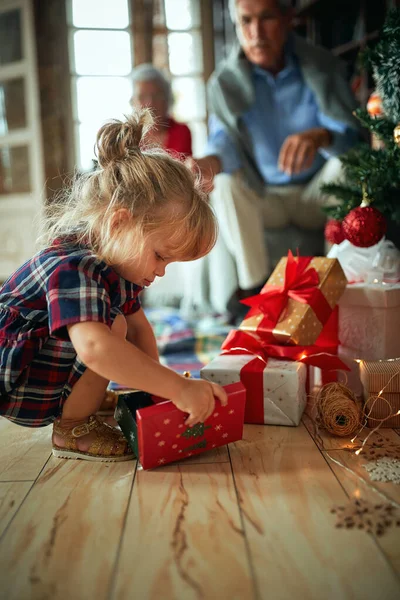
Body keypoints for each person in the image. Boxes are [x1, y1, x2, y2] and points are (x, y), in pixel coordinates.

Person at [0, 109, 227, 462]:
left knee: (121, 325)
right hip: (13, 375)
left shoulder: (119, 265)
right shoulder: (75, 267)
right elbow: (94, 348)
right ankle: (72, 427)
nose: (162, 272)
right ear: (120, 222)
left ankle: (80, 399)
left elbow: (140, 330)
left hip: (40, 360)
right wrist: (179, 387)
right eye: (160, 256)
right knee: (109, 329)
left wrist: (159, 392)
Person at [186, 0, 361, 318]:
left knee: (348, 165)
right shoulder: (224, 83)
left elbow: (355, 140)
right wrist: (205, 165)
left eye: (266, 18)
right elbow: (223, 144)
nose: (255, 33)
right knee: (225, 182)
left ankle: (335, 289)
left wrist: (322, 136)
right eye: (246, 21)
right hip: (265, 197)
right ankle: (255, 291)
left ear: (287, 18)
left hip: (317, 196)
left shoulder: (322, 67)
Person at [130, 63, 192, 156]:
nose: (150, 103)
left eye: (156, 96)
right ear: (133, 101)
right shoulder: (128, 136)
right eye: (142, 96)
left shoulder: (181, 132)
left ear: (167, 99)